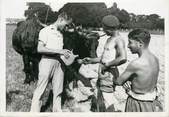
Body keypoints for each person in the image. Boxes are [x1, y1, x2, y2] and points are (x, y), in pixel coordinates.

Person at [82, 15, 127, 111]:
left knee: (107, 100)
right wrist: (91, 60)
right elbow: (103, 58)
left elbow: (123, 58)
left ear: (108, 28)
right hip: (103, 73)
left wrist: (107, 65)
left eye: (104, 28)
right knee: (99, 97)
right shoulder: (109, 39)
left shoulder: (118, 40)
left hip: (109, 74)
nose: (103, 30)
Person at [30, 12, 72, 112]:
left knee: (58, 90)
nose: (66, 28)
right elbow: (40, 49)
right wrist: (59, 51)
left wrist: (66, 54)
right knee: (41, 88)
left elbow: (59, 50)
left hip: (60, 63)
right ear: (61, 20)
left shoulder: (61, 34)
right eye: (66, 25)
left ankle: (57, 111)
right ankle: (34, 112)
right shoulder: (45, 31)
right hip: (46, 61)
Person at [114, 29, 163, 112]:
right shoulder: (155, 59)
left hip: (137, 103)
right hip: (152, 103)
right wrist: (131, 79)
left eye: (130, 42)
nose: (128, 46)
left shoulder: (135, 64)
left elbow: (118, 82)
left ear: (140, 43)